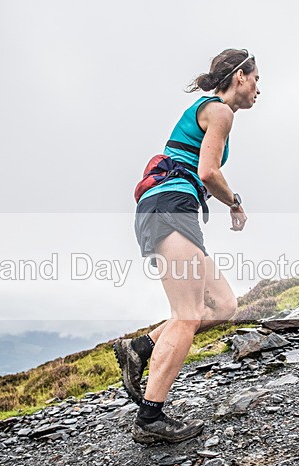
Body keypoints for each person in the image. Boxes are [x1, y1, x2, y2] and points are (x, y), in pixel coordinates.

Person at [114, 49, 259, 444]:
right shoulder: (220, 111)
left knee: (223, 306)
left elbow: (204, 170)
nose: (259, 89)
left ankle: (141, 347)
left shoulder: (210, 111)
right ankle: (150, 417)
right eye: (256, 79)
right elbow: (208, 171)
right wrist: (235, 203)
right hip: (170, 206)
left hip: (171, 208)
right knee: (187, 313)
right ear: (240, 76)